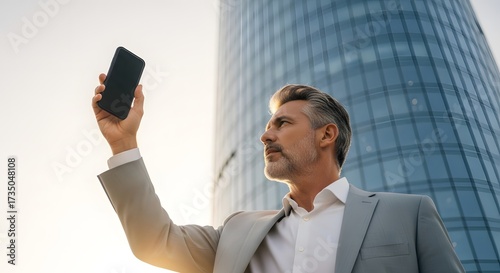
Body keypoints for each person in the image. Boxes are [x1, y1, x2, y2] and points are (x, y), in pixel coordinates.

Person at [92, 73, 465, 273]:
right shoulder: (238, 232)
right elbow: (155, 242)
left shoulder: (409, 214)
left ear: (326, 135)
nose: (265, 135)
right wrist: (123, 144)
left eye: (282, 123)